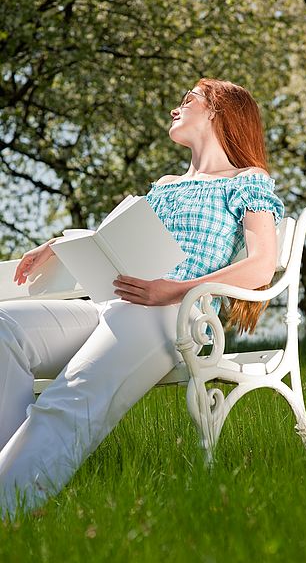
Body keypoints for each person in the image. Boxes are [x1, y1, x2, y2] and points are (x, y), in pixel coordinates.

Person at [0, 78, 284, 518]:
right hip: (112, 304)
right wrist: (58, 245)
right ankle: (16, 483)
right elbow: (115, 243)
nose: (175, 108)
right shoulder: (166, 184)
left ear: (218, 112)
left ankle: (9, 507)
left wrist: (173, 290)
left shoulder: (247, 181)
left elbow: (262, 264)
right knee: (5, 330)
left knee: (73, 395)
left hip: (176, 315)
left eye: (187, 100)